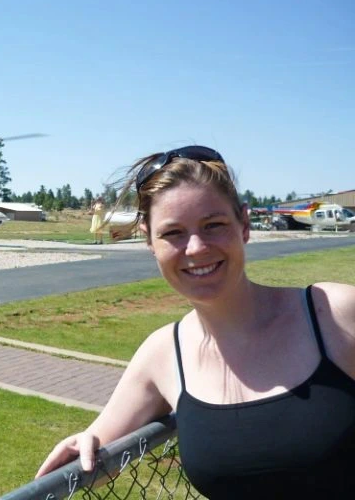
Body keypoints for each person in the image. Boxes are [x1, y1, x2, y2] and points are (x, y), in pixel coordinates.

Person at [35, 145, 355, 498]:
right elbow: (100, 439)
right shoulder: (164, 354)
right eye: (173, 233)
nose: (196, 248)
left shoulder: (333, 313)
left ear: (244, 225)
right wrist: (88, 441)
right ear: (149, 242)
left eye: (213, 225)